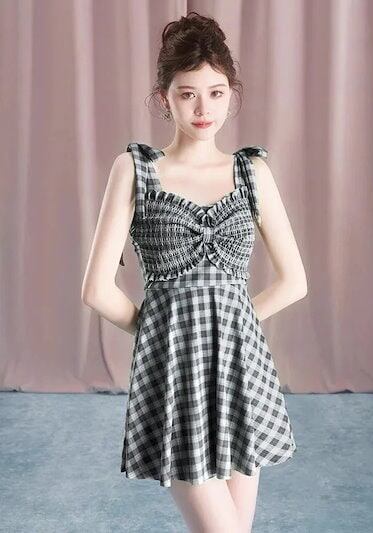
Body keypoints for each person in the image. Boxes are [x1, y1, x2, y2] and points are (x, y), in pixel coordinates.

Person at [82, 11, 307, 533]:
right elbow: (96, 289)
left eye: (216, 93)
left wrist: (230, 323)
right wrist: (164, 331)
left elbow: (295, 281)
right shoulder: (135, 169)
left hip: (241, 369)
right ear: (164, 98)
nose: (204, 108)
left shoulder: (252, 172)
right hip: (173, 371)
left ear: (231, 95)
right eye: (188, 94)